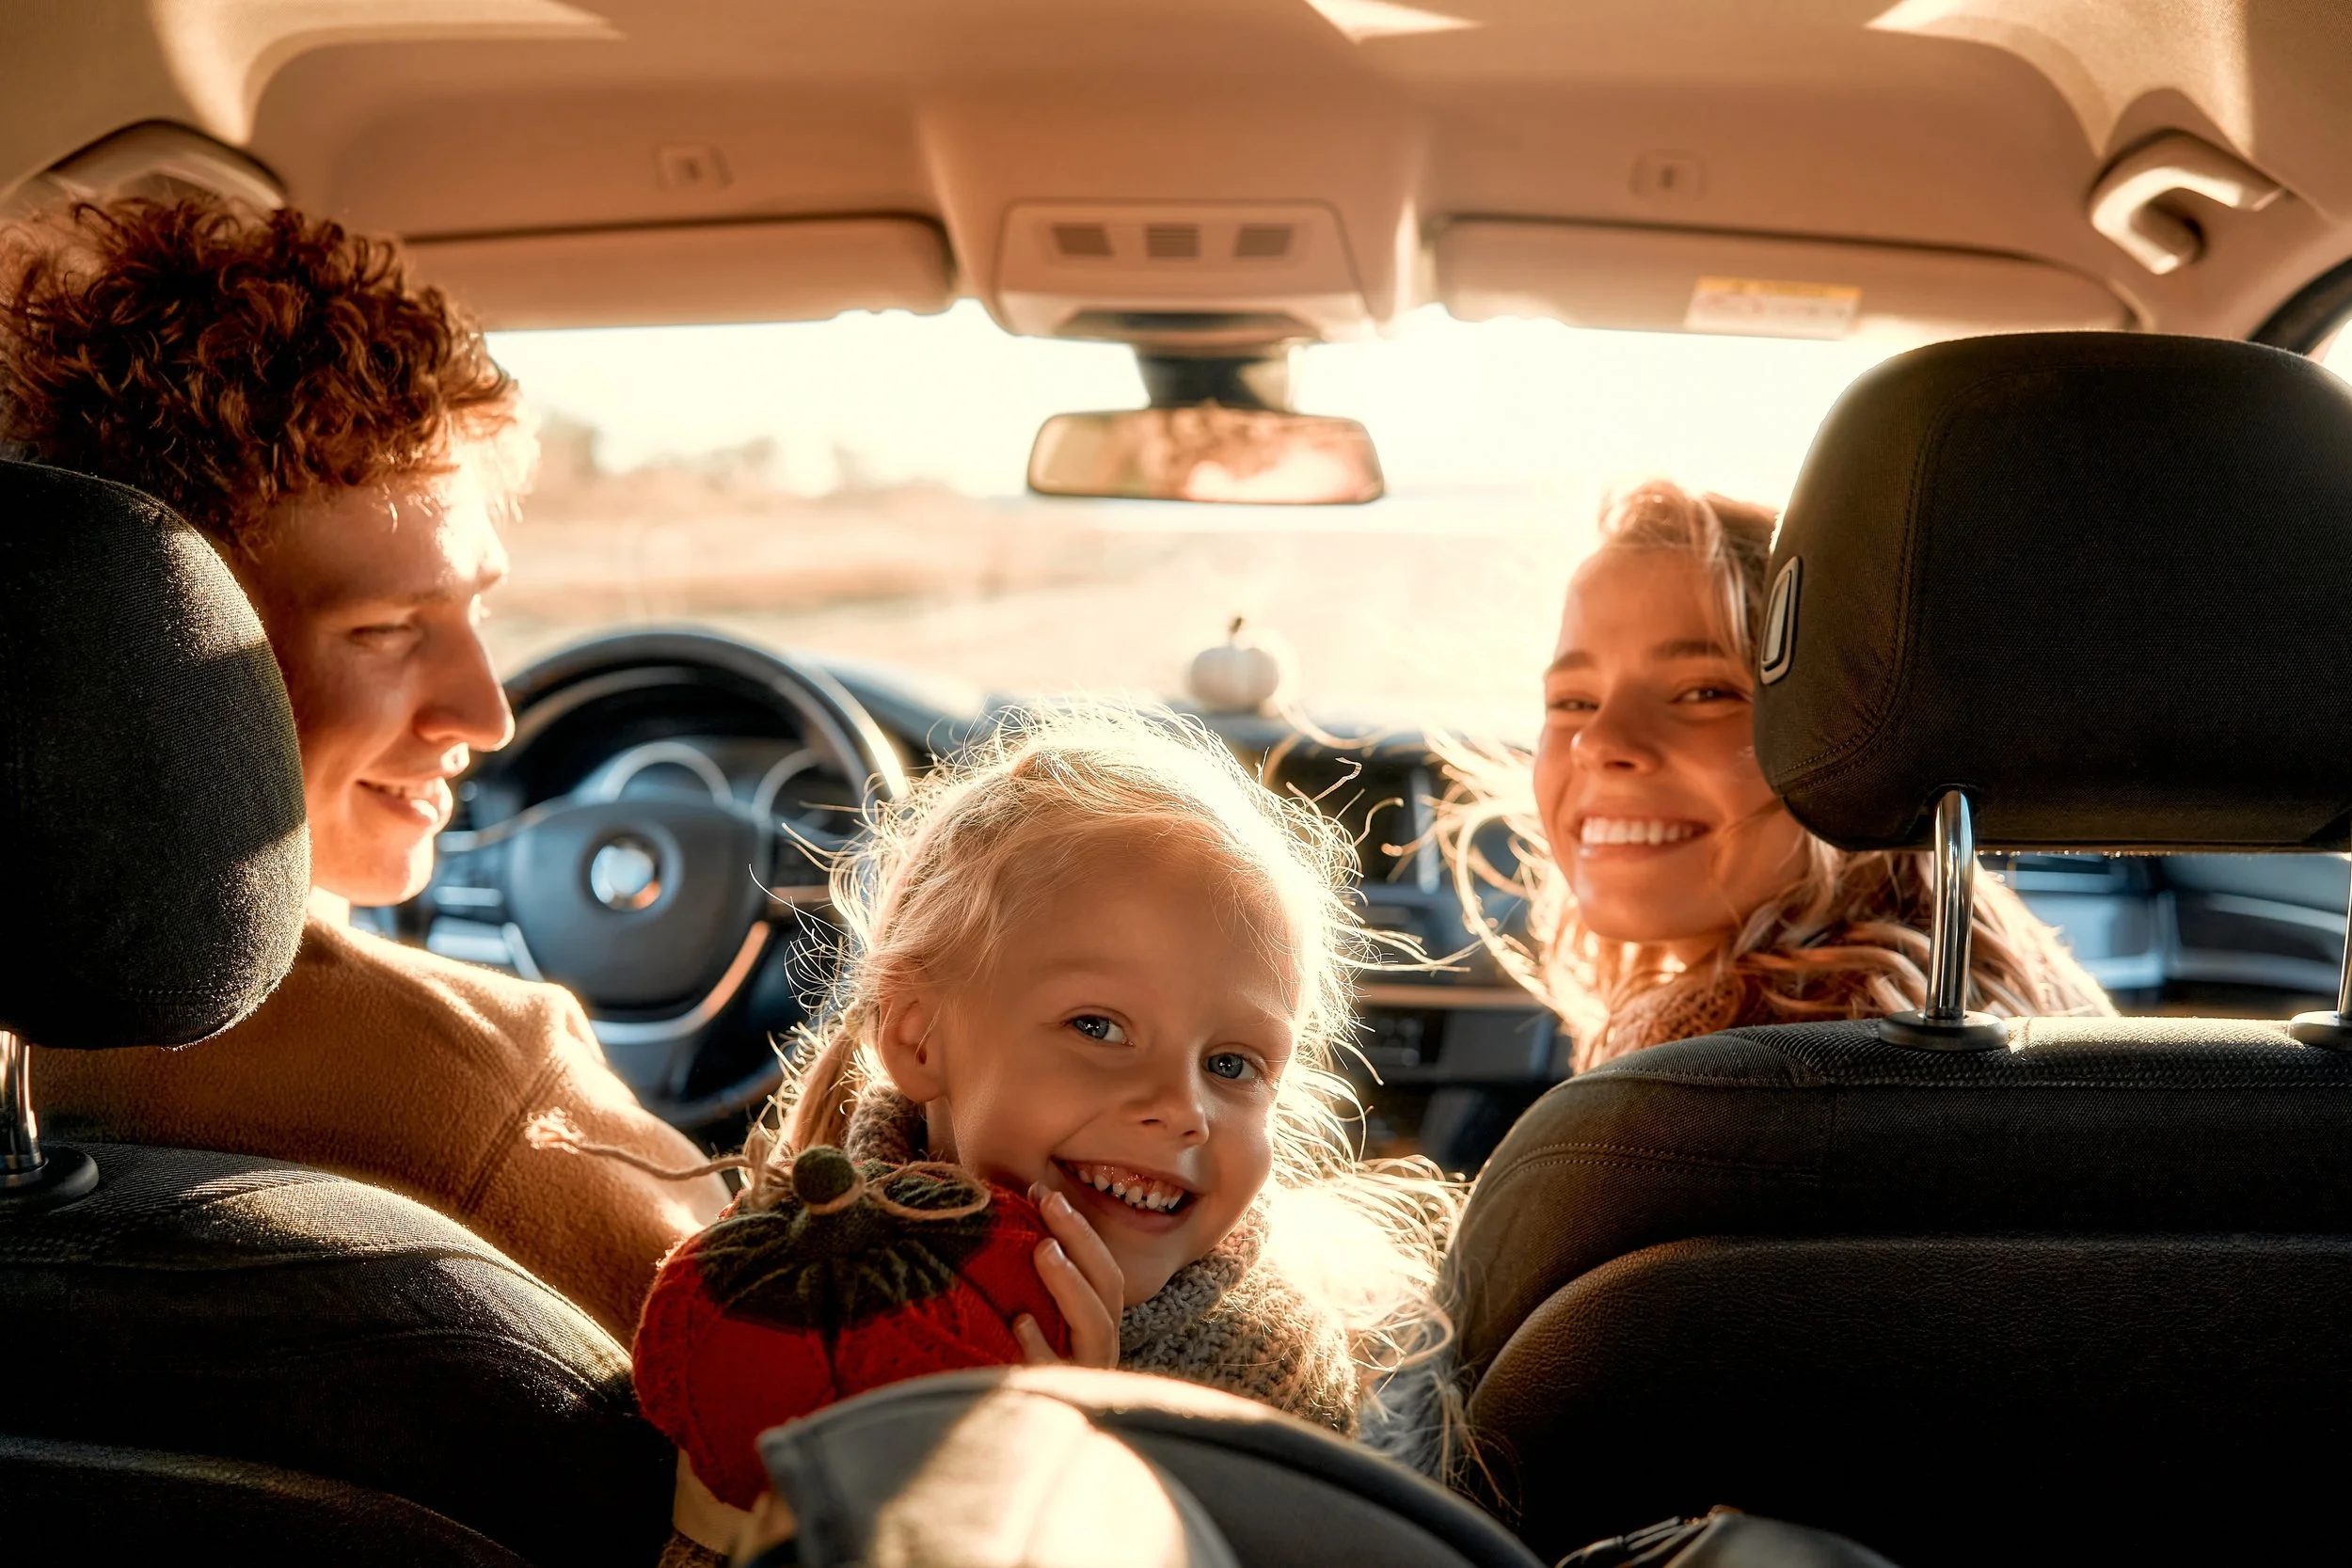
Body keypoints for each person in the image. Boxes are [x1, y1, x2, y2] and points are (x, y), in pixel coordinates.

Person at [0, 194, 725, 1341]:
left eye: (477, 609)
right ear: (154, 651)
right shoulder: (484, 1096)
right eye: (386, 630)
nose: (486, 714)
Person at [615, 705, 1459, 1561]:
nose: (1183, 1108)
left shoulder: (1269, 1379)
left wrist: (1073, 1448)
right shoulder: (783, 1270)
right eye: (1098, 1027)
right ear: (919, 1038)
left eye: (1233, 1065)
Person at [1444, 480, 2111, 1069]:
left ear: (1859, 735)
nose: (1599, 741)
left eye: (1704, 692)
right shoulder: (2012, 992)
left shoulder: (1714, 1073)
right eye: (1573, 702)